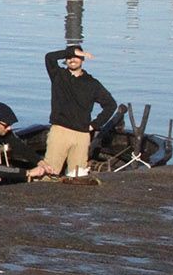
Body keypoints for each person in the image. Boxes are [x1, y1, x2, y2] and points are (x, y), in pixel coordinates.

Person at [27, 44, 116, 178]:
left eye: (76, 57)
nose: (72, 59)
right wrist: (72, 51)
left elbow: (110, 105)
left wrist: (94, 125)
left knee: (78, 175)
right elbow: (49, 57)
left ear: (82, 60)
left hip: (81, 135)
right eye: (69, 57)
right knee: (50, 172)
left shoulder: (92, 83)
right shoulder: (58, 75)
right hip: (60, 131)